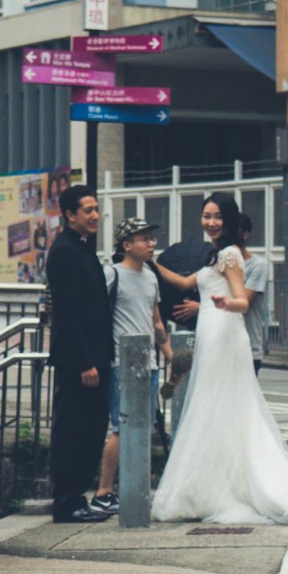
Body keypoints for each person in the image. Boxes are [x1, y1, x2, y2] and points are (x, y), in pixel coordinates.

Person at [149, 192, 288, 528]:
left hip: (224, 331)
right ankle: (208, 485)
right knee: (211, 406)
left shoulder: (231, 254)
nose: (211, 222)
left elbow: (242, 301)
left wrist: (223, 304)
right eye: (206, 216)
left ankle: (223, 487)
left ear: (229, 220)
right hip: (212, 331)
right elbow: (182, 282)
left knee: (222, 407)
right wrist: (151, 261)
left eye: (217, 217)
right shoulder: (214, 254)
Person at [91, 218, 173, 516]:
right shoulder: (111, 274)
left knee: (143, 429)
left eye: (152, 238)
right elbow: (95, 315)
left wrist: (169, 355)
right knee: (121, 428)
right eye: (144, 239)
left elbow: (156, 321)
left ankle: (133, 492)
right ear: (127, 245)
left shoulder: (150, 277)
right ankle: (103, 492)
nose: (152, 244)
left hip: (148, 365)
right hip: (120, 364)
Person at [45, 185, 113, 523]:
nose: (95, 215)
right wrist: (85, 362)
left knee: (92, 430)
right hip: (79, 362)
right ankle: (66, 501)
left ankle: (78, 498)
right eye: (88, 210)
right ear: (70, 215)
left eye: (96, 209)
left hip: (97, 358)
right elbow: (68, 314)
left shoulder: (83, 247)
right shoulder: (64, 251)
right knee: (72, 431)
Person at [238, 214, 269, 376]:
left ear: (245, 235)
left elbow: (243, 301)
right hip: (221, 347)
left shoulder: (258, 265)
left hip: (248, 348)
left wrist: (201, 307)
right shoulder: (217, 261)